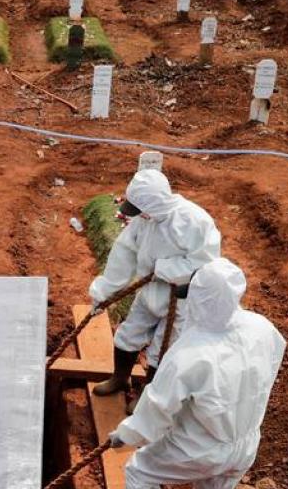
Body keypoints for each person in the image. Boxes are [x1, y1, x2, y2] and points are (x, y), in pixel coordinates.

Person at [103, 258, 286, 489]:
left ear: (199, 298)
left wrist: (125, 435)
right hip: (244, 442)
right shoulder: (263, 328)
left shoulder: (192, 350)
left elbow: (157, 408)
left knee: (141, 471)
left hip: (200, 445)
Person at [88, 167, 221, 404]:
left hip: (179, 298)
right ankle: (120, 378)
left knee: (163, 348)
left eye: (142, 211)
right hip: (149, 291)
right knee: (129, 333)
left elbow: (206, 262)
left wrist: (166, 270)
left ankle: (147, 397)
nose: (138, 215)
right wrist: (103, 294)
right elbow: (124, 252)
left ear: (154, 204)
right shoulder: (144, 220)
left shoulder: (195, 221)